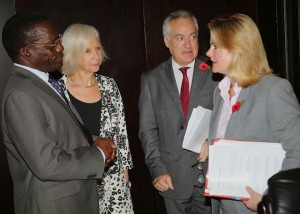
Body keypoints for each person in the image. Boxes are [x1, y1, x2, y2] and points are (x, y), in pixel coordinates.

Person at [1, 12, 116, 214]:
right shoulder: (20, 95)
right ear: (27, 53)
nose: (61, 48)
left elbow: (62, 136)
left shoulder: (42, 82)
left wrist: (96, 141)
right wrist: (97, 154)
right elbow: (46, 163)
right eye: (52, 45)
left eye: (59, 40)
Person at [206, 13, 300, 214]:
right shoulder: (219, 92)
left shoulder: (274, 90)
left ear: (237, 48)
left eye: (215, 46)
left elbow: (298, 151)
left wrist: (268, 197)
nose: (208, 52)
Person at [138, 10, 218, 214]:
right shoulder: (152, 80)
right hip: (172, 179)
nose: (188, 44)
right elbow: (148, 131)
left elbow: (229, 120)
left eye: (192, 37)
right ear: (167, 41)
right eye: (180, 38)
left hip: (213, 175)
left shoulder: (214, 72)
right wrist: (157, 170)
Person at [59, 23, 134, 214]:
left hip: (113, 180)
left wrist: (125, 178)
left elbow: (121, 133)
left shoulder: (109, 85)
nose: (97, 55)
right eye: (88, 50)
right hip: (78, 180)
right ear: (73, 53)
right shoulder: (58, 91)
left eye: (98, 48)